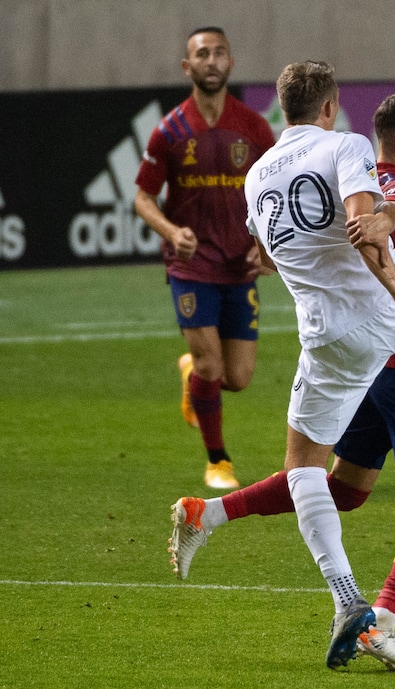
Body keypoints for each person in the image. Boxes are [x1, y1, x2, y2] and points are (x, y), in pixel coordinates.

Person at [168, 60, 395, 670]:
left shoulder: (258, 173)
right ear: (329, 107)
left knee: (319, 478)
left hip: (324, 338)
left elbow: (265, 244)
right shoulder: (351, 150)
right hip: (393, 332)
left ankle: (234, 530)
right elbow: (376, 216)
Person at [134, 26, 276, 489]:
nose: (211, 61)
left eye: (219, 53)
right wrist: (173, 232)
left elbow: (275, 191)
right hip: (191, 266)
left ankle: (190, 370)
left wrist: (265, 244)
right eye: (202, 54)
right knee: (213, 367)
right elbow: (142, 198)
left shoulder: (254, 127)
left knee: (237, 378)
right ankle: (218, 461)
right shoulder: (169, 130)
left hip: (239, 265)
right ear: (187, 66)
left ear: (230, 64)